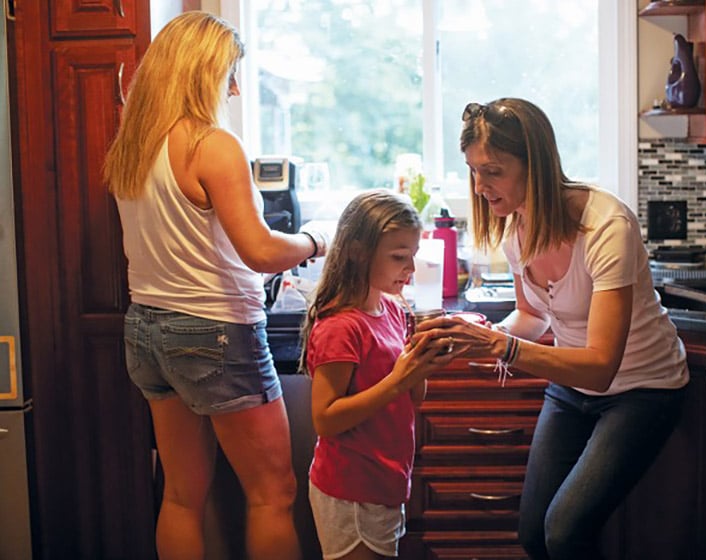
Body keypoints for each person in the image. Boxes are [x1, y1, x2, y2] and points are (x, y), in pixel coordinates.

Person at [414, 98, 689, 559]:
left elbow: (601, 367)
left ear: (535, 165)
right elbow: (532, 315)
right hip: (571, 387)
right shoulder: (516, 229)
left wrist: (502, 347)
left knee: (564, 530)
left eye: (493, 171)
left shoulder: (606, 227)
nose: (480, 186)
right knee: (533, 535)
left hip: (644, 389)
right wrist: (475, 335)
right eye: (473, 171)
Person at [103, 11, 329, 560]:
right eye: (228, 73)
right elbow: (260, 251)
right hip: (214, 330)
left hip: (146, 329)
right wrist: (316, 241)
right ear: (201, 71)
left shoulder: (133, 146)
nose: (232, 87)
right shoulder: (212, 144)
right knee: (273, 494)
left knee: (181, 497)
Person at [299, 189, 460, 560]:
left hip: (385, 482)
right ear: (358, 251)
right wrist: (399, 379)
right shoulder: (341, 326)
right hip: (351, 489)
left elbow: (413, 397)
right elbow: (325, 419)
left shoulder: (392, 309)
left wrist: (421, 363)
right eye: (399, 257)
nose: (412, 269)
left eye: (413, 256)